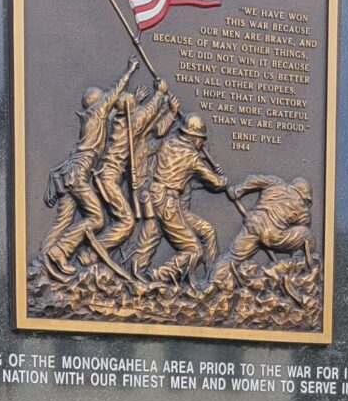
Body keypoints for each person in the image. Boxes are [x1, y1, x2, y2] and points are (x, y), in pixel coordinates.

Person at [40, 57, 138, 279]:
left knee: (63, 221)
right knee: (97, 219)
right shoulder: (96, 113)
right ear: (96, 103)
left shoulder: (90, 117)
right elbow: (114, 92)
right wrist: (130, 71)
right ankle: (60, 251)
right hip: (78, 175)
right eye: (103, 100)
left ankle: (43, 261)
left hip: (68, 174)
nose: (108, 102)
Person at [132, 114, 230, 286]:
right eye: (201, 139)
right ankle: (156, 276)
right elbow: (216, 183)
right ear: (194, 138)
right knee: (194, 251)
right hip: (168, 204)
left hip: (153, 198)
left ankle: (135, 272)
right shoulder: (192, 158)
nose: (202, 144)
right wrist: (223, 178)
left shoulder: (168, 144)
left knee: (154, 234)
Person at [94, 76, 171, 255]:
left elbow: (144, 120)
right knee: (127, 222)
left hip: (109, 176)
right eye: (133, 102)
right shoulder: (131, 122)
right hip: (108, 179)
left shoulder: (120, 121)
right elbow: (147, 113)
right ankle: (90, 254)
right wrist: (160, 92)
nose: (135, 103)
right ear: (130, 108)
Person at [207, 174, 314, 286]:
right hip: (273, 235)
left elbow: (254, 179)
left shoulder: (276, 182)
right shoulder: (303, 208)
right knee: (306, 235)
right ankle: (297, 266)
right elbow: (304, 225)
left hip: (253, 224)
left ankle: (212, 283)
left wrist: (237, 190)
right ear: (304, 195)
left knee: (232, 256)